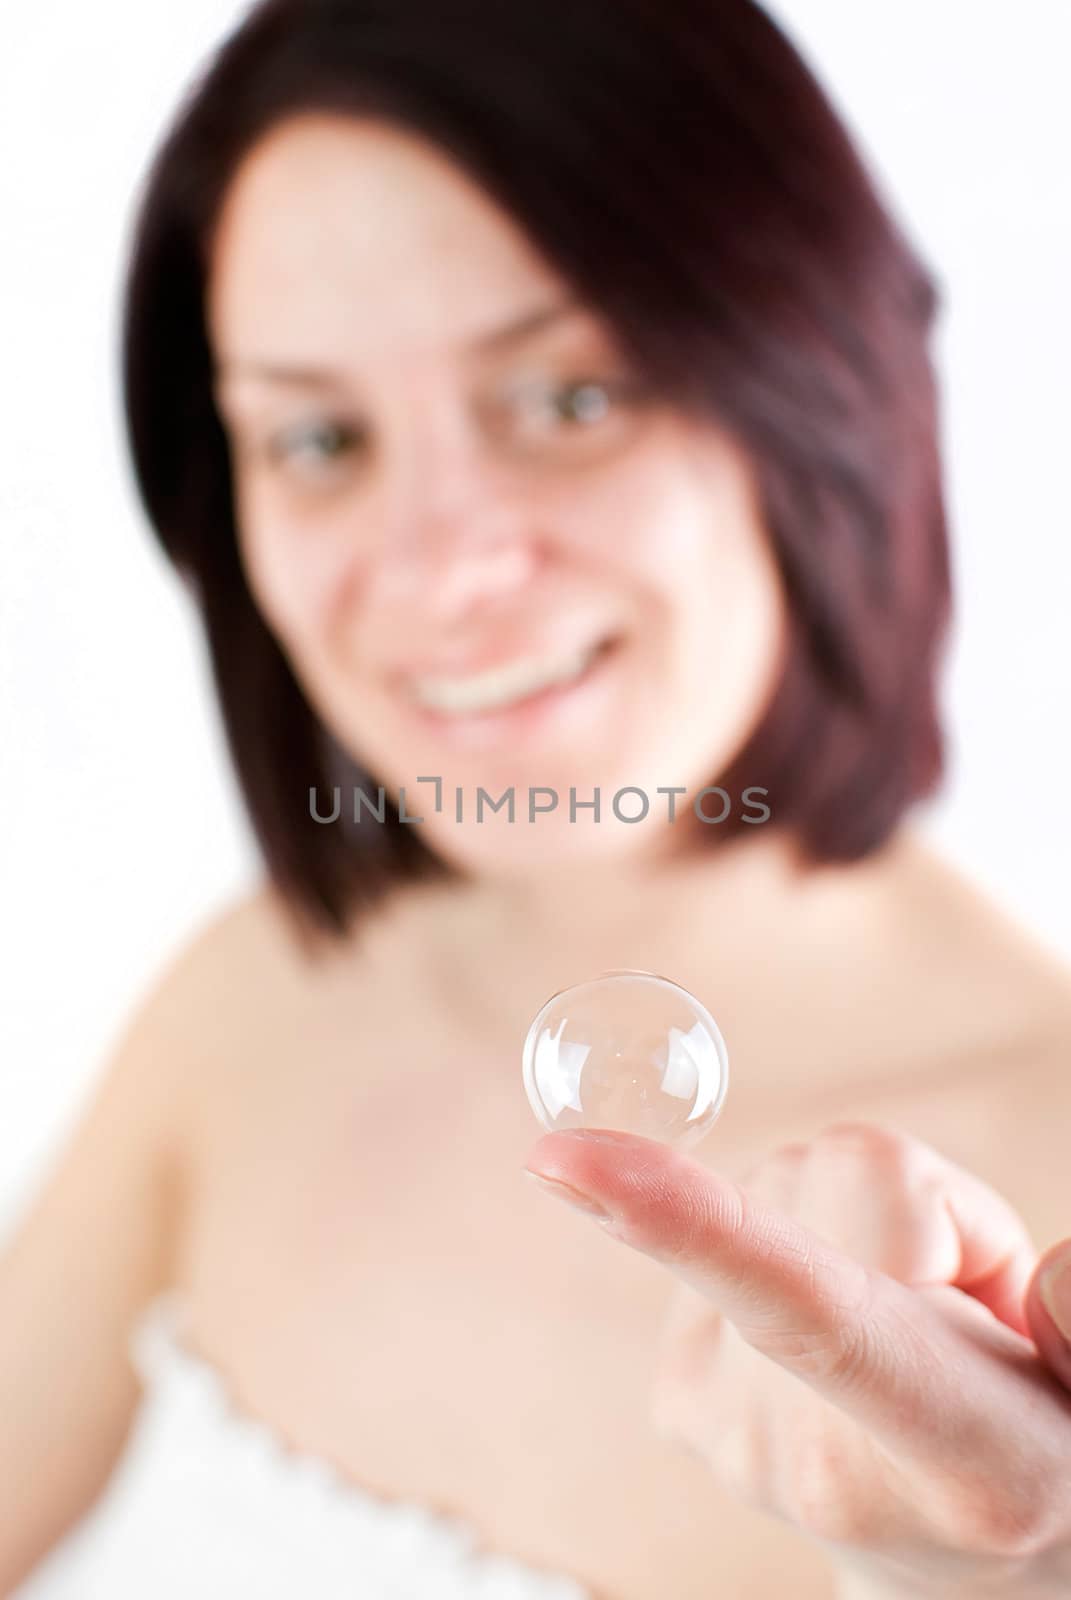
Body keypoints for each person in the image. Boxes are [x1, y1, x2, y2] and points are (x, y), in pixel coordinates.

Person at [3, 1, 1071, 1595]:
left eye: (573, 398)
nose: (439, 571)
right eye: (319, 436)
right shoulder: (253, 1002)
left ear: (815, 396)